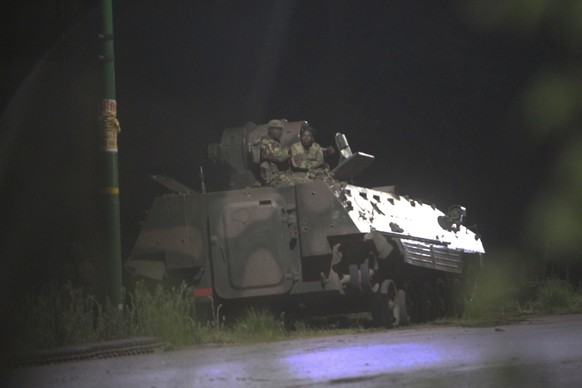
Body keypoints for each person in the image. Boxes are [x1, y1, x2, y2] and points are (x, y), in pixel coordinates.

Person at [259, 119, 292, 186]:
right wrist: (290, 152)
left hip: (279, 174)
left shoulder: (274, 142)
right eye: (278, 129)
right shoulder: (266, 142)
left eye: (281, 130)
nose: (280, 132)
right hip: (272, 177)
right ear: (270, 130)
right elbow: (279, 157)